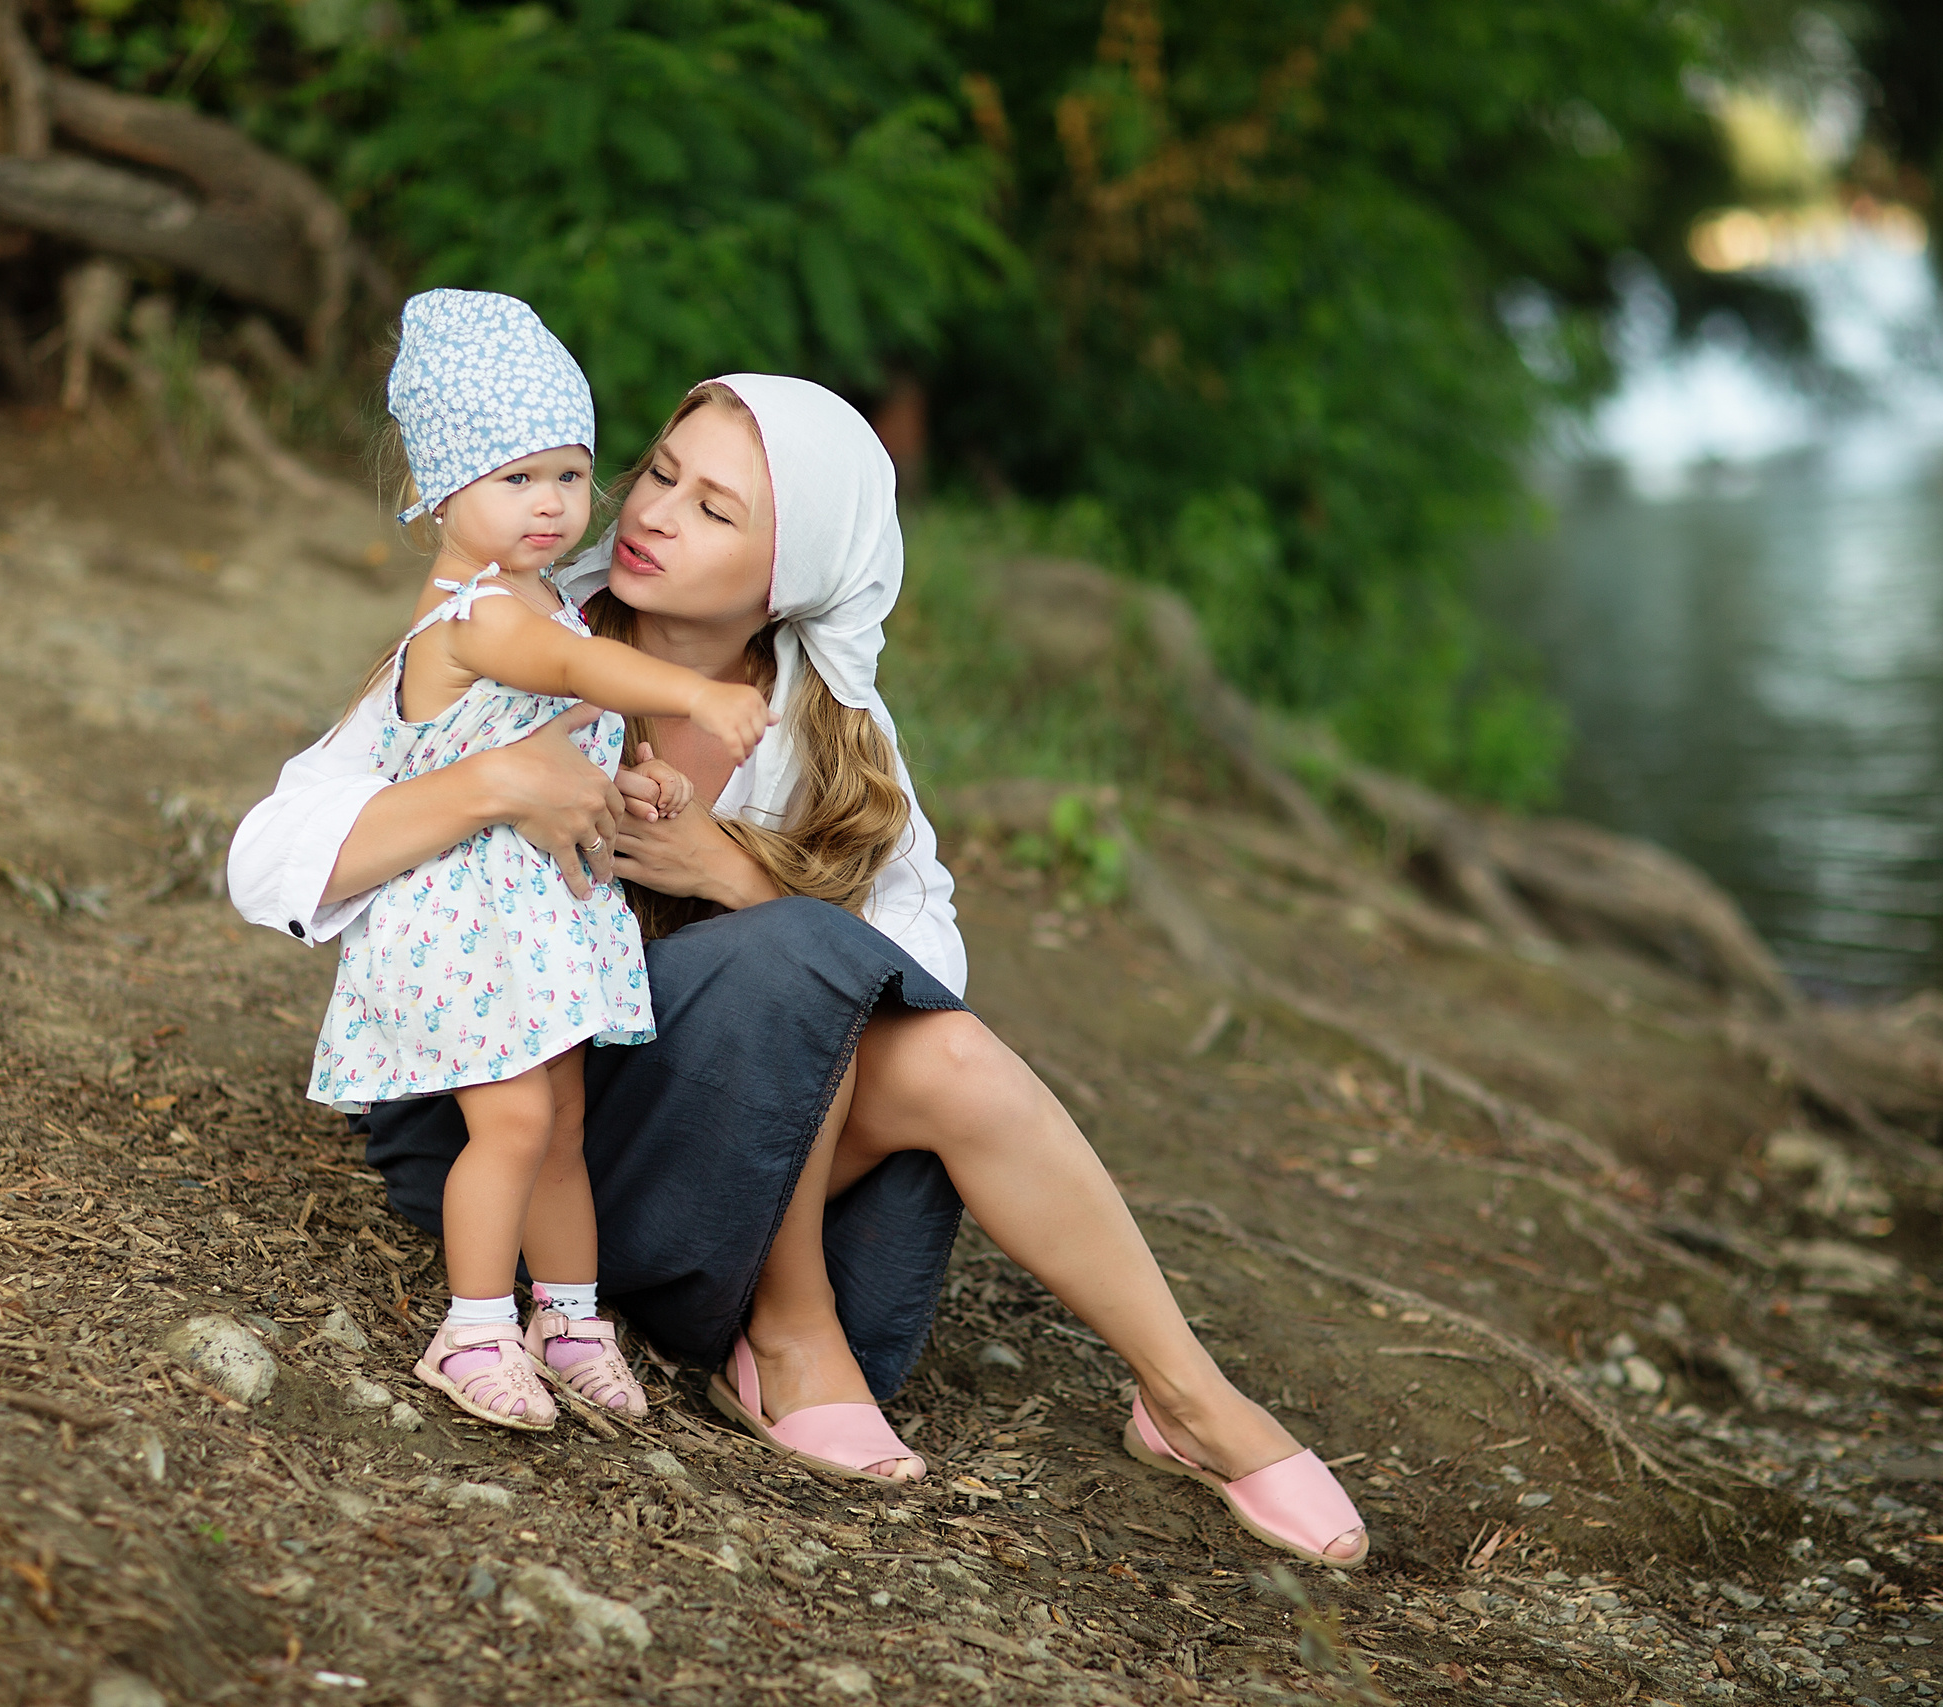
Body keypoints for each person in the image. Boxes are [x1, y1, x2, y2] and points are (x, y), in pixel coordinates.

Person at [230, 372, 1368, 1564]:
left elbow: (917, 979)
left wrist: (734, 873)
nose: (655, 514)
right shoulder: (523, 636)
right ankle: (784, 1333)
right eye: (662, 474)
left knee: (942, 1050)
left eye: (716, 510)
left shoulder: (829, 727)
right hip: (497, 1120)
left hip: (690, 1164)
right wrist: (490, 787)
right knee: (812, 957)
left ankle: (1186, 1400)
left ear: (798, 568)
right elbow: (267, 857)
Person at [317, 291, 771, 1431]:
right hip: (464, 921)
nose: (550, 504)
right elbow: (573, 684)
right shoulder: (475, 612)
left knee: (560, 1124)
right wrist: (692, 697)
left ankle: (567, 1318)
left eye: (568, 475)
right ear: (440, 487)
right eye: (514, 479)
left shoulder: (545, 607)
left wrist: (635, 782)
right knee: (512, 1126)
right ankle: (470, 1329)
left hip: (540, 915)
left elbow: (557, 742)